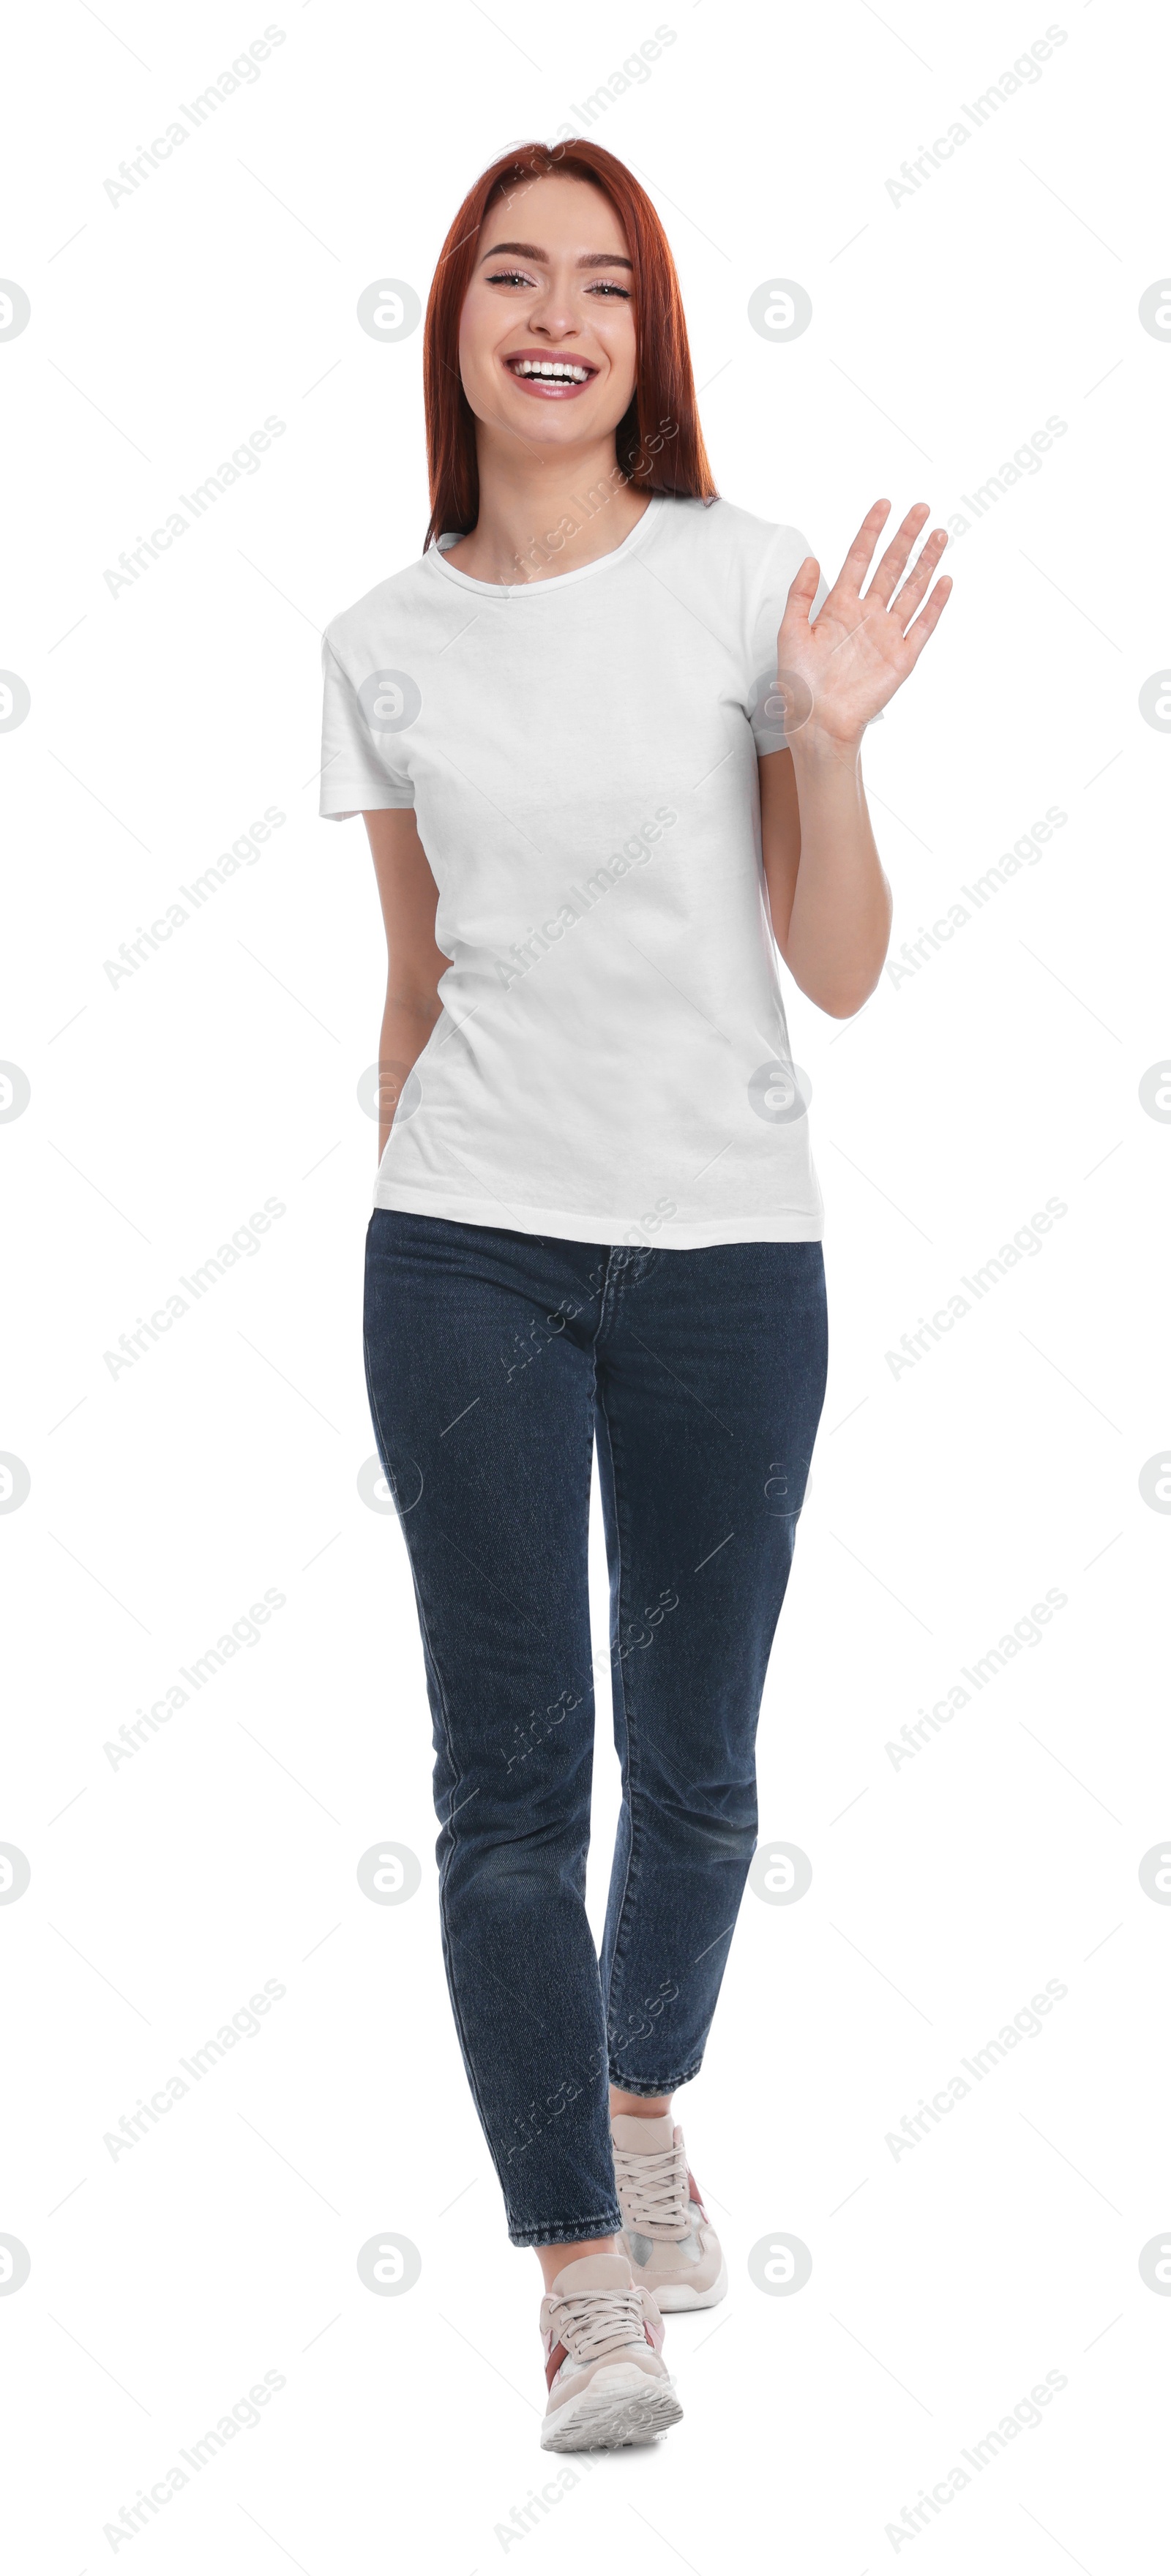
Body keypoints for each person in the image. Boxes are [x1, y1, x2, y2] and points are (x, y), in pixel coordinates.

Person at [319, 135, 950, 2452]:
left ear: (646, 338)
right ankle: (586, 2276)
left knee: (692, 1780)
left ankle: (645, 2097)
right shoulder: (380, 644)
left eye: (600, 280)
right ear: (461, 330)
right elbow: (413, 976)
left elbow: (846, 970)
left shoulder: (746, 591)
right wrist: (411, 1175)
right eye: (512, 275)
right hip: (466, 1255)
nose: (553, 312)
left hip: (724, 1263)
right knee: (511, 1784)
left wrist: (841, 744)